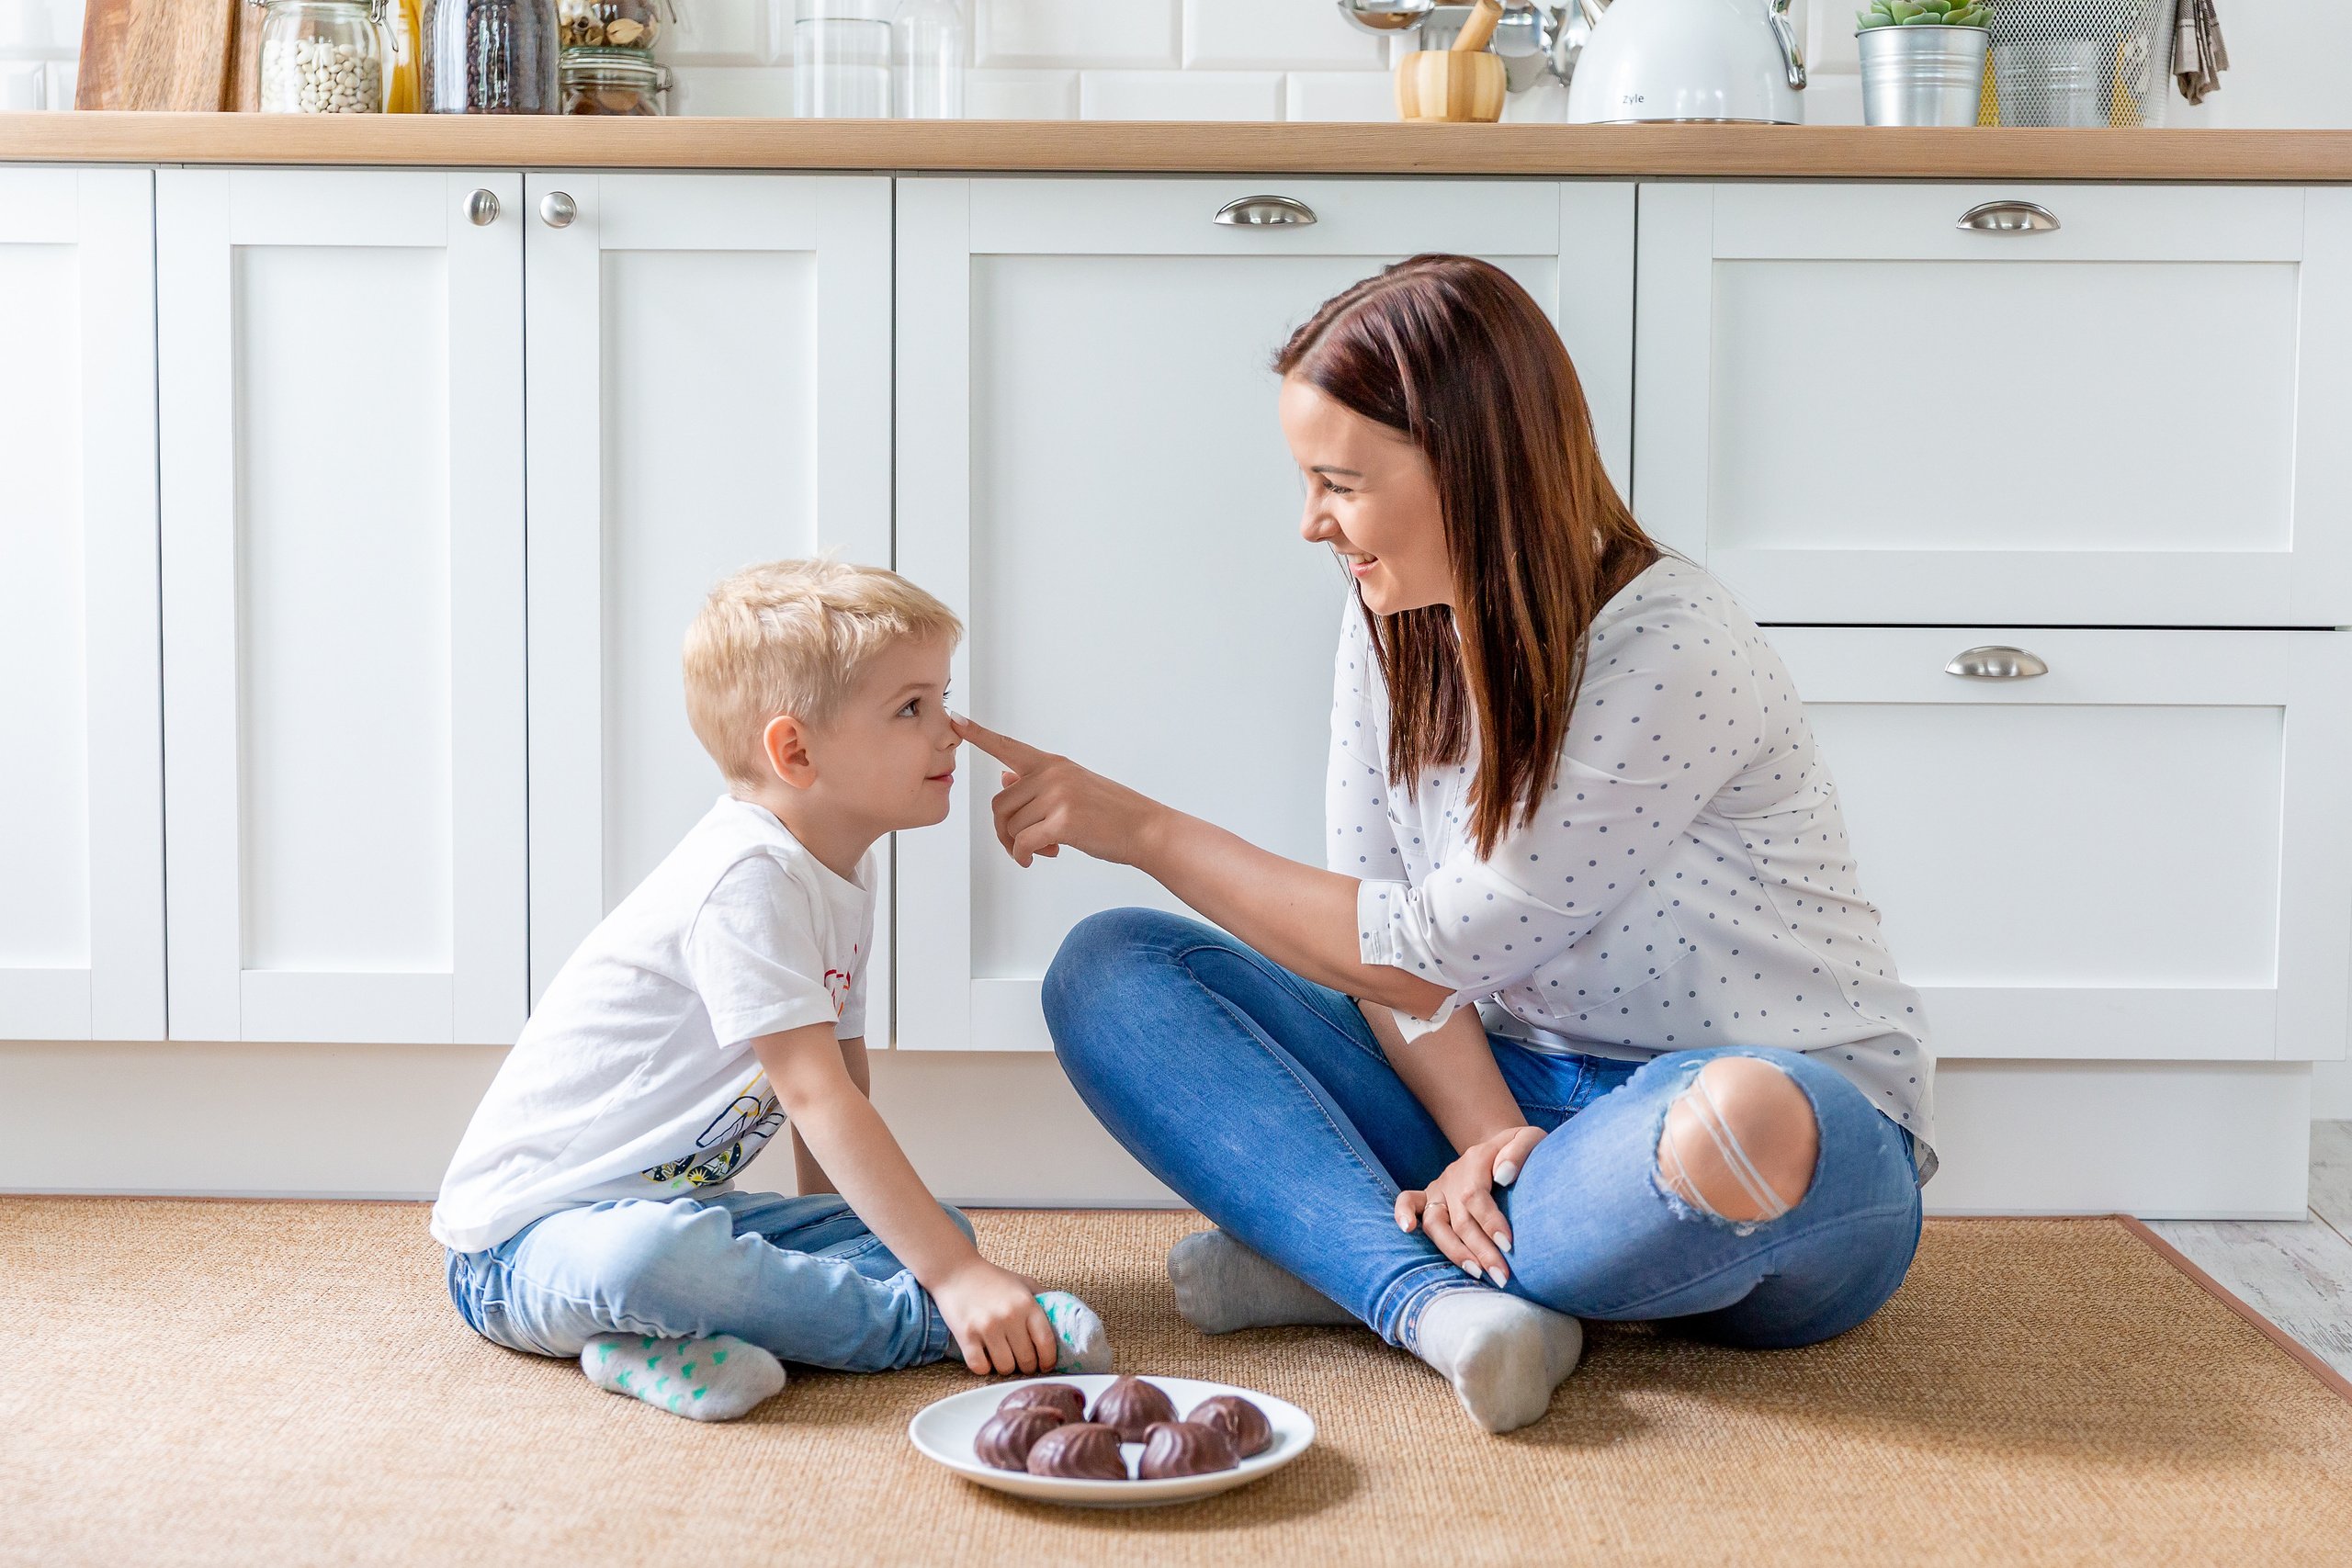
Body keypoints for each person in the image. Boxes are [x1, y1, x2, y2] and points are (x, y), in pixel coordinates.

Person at [953, 255, 1934, 1436]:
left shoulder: (1670, 646)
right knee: (1112, 973)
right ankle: (1441, 1297)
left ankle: (1345, 1257)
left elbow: (1436, 936)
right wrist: (1489, 1139)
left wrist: (1148, 831)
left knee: (1744, 1117)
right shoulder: (1387, 618)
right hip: (1512, 1094)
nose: (1311, 523)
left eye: (1339, 484)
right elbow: (1388, 958)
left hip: (1761, 1129)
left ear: (1469, 468)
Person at [433, 558, 1110, 1422]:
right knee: (656, 1262)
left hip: (675, 1208)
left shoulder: (838, 872)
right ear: (794, 750)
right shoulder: (746, 876)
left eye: (942, 697)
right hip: (518, 1249)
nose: (953, 732)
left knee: (924, 1226)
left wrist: (885, 1243)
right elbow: (812, 1093)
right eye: (913, 707)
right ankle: (929, 1329)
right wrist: (953, 1283)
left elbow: (841, 1087)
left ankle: (651, 1346)